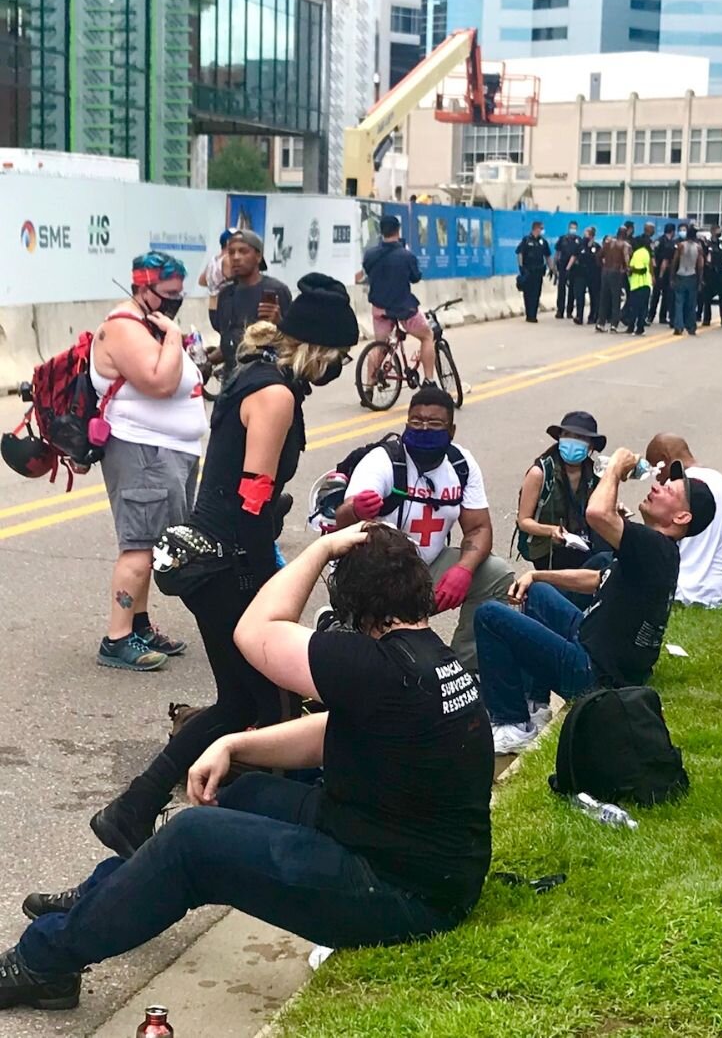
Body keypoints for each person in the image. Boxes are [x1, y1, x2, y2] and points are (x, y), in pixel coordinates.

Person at [0, 524, 493, 1013]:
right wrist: (235, 744)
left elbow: (253, 630)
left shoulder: (375, 664)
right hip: (407, 855)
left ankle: (43, 964)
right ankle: (101, 896)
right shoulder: (428, 659)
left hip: (403, 895)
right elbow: (330, 733)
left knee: (192, 840)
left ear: (354, 606)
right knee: (247, 794)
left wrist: (321, 548)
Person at [88, 274, 359, 860]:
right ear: (319, 349)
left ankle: (133, 810)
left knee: (242, 703)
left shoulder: (253, 375)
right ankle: (269, 836)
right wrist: (272, 584)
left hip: (210, 561)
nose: (339, 367)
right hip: (230, 565)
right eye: (339, 356)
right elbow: (252, 497)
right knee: (270, 705)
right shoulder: (277, 394)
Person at [475, 448, 716, 754]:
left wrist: (615, 465)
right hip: (598, 650)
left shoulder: (654, 546)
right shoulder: (656, 551)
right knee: (536, 593)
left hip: (592, 674)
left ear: (681, 516)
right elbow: (601, 578)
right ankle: (535, 704)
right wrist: (538, 577)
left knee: (489, 616)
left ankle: (512, 724)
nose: (656, 486)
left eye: (667, 489)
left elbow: (597, 514)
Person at [335, 386, 513, 671]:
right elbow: (341, 530)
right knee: (375, 660)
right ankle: (344, 632)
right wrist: (356, 510)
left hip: (429, 569)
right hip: (378, 576)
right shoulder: (382, 460)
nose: (424, 428)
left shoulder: (461, 463)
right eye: (416, 422)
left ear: (451, 430)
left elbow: (479, 527)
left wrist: (463, 570)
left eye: (434, 423)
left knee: (495, 574)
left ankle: (466, 670)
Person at [90, 252, 207, 671]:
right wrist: (174, 337)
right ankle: (117, 638)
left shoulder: (147, 322)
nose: (175, 301)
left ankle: (138, 624)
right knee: (138, 546)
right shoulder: (124, 327)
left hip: (166, 452)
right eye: (169, 294)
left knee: (153, 543)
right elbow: (159, 382)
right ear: (143, 288)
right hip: (141, 450)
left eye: (179, 294)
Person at [646, 434, 722, 608]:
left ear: (664, 459)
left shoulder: (677, 490)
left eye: (656, 470)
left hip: (684, 591)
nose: (658, 481)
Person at [361, 215, 436, 406]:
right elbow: (416, 277)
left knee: (379, 345)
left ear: (381, 231)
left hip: (379, 307)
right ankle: (429, 381)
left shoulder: (370, 254)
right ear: (398, 230)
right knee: (427, 336)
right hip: (403, 308)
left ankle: (368, 388)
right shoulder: (406, 255)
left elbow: (368, 271)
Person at [516, 411, 605, 571]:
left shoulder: (594, 473)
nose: (573, 442)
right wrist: (552, 531)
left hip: (583, 541)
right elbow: (524, 521)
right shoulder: (541, 473)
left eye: (580, 438)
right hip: (547, 548)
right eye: (567, 435)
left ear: (591, 446)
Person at [213, 230, 292, 380]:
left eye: (243, 251)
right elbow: (230, 341)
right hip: (231, 383)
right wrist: (208, 360)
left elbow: (293, 343)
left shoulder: (277, 290)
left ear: (258, 256)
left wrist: (279, 323)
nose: (236, 257)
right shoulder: (226, 295)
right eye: (231, 252)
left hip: (267, 380)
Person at [516, 221, 552, 323]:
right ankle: (529, 314)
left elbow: (548, 256)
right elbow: (519, 253)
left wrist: (552, 269)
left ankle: (534, 315)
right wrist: (521, 267)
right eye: (541, 228)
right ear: (536, 229)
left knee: (536, 293)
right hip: (528, 271)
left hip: (538, 271)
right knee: (528, 293)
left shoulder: (543, 242)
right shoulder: (526, 240)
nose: (542, 231)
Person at [671, 225, 704, 336]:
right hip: (692, 276)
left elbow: (674, 262)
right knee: (691, 303)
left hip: (681, 275)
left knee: (679, 302)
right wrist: (700, 280)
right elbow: (700, 266)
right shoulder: (698, 248)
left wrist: (672, 277)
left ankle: (678, 327)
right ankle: (691, 327)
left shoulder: (681, 246)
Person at [198, 228, 234, 329]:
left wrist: (214, 283)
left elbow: (202, 281)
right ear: (229, 242)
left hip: (213, 309)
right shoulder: (228, 260)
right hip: (226, 309)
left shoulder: (213, 261)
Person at [595, 228, 630, 334]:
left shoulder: (608, 243)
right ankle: (614, 325)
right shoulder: (625, 245)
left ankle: (600, 323)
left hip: (605, 271)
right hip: (616, 272)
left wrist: (602, 266)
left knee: (604, 298)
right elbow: (626, 259)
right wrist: (626, 269)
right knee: (616, 299)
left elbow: (598, 256)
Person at [570, 226, 602, 325]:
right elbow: (573, 257)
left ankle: (593, 316)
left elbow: (601, 260)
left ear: (592, 235)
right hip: (580, 273)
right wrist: (568, 269)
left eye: (587, 233)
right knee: (579, 295)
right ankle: (579, 316)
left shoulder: (597, 247)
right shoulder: (580, 246)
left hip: (593, 274)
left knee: (594, 296)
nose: (585, 235)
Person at [701, 224, 722, 327]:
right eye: (718, 231)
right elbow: (704, 259)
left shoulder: (721, 243)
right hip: (710, 274)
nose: (720, 232)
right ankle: (706, 319)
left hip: (721, 274)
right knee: (707, 298)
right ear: (713, 231)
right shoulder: (707, 244)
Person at [649, 223, 677, 326]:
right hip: (660, 272)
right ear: (672, 231)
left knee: (666, 295)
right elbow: (654, 257)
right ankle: (651, 315)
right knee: (656, 294)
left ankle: (662, 316)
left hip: (667, 272)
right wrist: (656, 273)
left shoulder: (670, 242)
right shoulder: (661, 241)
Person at [626, 234, 653, 336]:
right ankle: (639, 328)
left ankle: (633, 327)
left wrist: (631, 269)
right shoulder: (646, 253)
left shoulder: (638, 253)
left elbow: (642, 270)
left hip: (638, 285)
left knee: (635, 308)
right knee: (643, 308)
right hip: (645, 284)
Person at [554, 221, 581, 320]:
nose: (573, 230)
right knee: (561, 288)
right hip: (562, 265)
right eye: (571, 228)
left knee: (572, 290)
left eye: (575, 228)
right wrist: (554, 267)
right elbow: (557, 253)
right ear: (568, 228)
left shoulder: (578, 240)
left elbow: (579, 254)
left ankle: (569, 311)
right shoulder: (562, 239)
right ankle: (560, 310)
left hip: (574, 267)